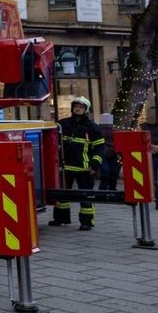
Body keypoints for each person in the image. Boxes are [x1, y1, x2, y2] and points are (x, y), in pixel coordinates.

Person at [52, 97, 104, 230]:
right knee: (62, 194)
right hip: (66, 166)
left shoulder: (93, 128)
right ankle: (61, 218)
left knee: (85, 195)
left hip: (84, 168)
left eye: (81, 107)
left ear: (86, 110)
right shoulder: (62, 124)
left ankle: (86, 222)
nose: (78, 108)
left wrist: (95, 165)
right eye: (76, 106)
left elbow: (100, 149)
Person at [96, 112, 119, 191]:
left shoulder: (113, 130)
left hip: (111, 154)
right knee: (107, 171)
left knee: (112, 171)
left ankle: (109, 188)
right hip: (104, 154)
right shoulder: (98, 130)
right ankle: (105, 188)